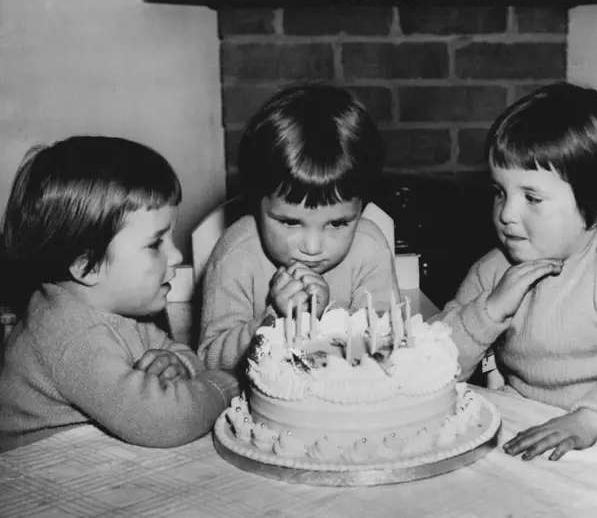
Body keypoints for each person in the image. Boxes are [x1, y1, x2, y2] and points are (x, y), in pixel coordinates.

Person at [431, 82, 597, 461]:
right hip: (531, 409)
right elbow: (436, 364)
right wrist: (490, 311)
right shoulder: (493, 268)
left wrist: (587, 421)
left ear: (594, 210)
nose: (507, 214)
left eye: (531, 198)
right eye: (500, 191)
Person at [0, 136, 239, 452]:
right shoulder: (72, 336)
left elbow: (180, 353)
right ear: (86, 267)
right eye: (155, 244)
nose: (176, 255)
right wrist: (228, 384)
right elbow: (166, 421)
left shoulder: (122, 308)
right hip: (41, 478)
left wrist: (181, 365)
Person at [198, 81, 399, 372]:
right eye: (290, 222)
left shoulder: (370, 249)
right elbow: (210, 362)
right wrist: (277, 319)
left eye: (338, 223)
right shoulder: (236, 255)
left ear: (363, 207)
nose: (313, 247)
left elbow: (387, 347)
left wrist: (325, 323)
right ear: (257, 201)